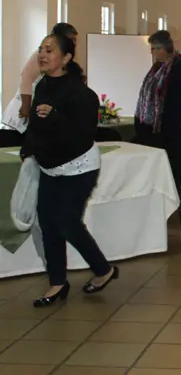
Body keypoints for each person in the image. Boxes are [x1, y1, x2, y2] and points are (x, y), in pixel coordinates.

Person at [22, 33, 118, 307]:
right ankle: (57, 282)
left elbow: (83, 134)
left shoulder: (81, 94)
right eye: (40, 49)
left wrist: (55, 118)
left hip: (79, 167)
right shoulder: (42, 85)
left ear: (65, 58)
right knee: (48, 224)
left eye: (49, 50)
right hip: (50, 168)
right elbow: (36, 125)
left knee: (66, 222)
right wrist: (29, 146)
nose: (42, 54)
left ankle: (103, 269)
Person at [134, 31, 181, 239]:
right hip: (153, 129)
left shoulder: (178, 67)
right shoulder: (157, 67)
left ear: (163, 48)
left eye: (154, 48)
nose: (152, 53)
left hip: (170, 128)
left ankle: (171, 204)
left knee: (172, 167)